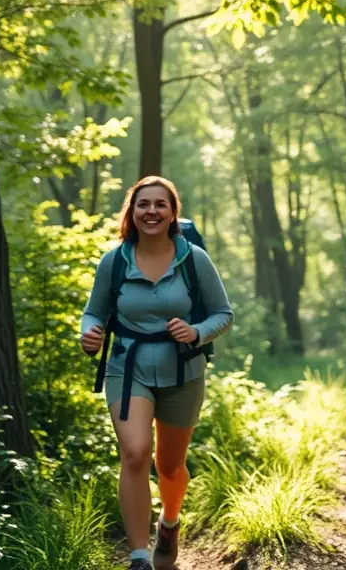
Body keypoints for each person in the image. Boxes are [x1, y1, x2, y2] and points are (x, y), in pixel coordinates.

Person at [80, 176, 233, 570]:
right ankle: (137, 556)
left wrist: (197, 331)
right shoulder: (114, 261)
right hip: (127, 369)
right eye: (143, 204)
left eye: (160, 204)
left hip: (183, 372)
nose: (151, 211)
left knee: (169, 466)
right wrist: (89, 333)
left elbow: (223, 314)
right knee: (134, 453)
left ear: (172, 213)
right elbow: (94, 311)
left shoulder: (193, 259)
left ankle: (169, 521)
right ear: (131, 212)